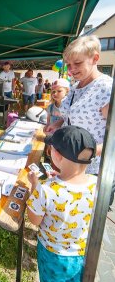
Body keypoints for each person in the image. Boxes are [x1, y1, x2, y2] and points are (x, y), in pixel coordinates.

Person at [14, 125, 97, 282]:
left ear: (56, 155)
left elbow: (35, 220)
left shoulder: (47, 189)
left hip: (53, 254)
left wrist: (35, 185)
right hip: (81, 254)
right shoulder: (95, 184)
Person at [45, 35, 113, 177]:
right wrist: (58, 123)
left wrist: (91, 152)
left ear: (95, 59)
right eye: (69, 65)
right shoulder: (76, 86)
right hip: (68, 163)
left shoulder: (106, 88)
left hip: (90, 169)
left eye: (77, 63)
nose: (71, 70)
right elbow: (71, 115)